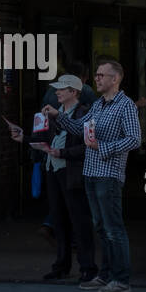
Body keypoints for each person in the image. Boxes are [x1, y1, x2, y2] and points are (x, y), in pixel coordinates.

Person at [44, 59, 141, 292]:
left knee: (113, 228)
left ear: (115, 79)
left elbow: (134, 139)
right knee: (101, 227)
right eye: (96, 74)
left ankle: (121, 279)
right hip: (91, 173)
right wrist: (59, 116)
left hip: (108, 175)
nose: (96, 78)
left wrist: (103, 147)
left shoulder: (125, 106)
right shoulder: (99, 105)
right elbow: (80, 128)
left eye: (101, 75)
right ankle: (106, 275)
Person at [9, 74, 98, 283]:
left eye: (62, 89)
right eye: (57, 88)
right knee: (59, 219)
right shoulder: (50, 114)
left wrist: (62, 153)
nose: (56, 92)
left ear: (74, 92)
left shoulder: (83, 114)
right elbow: (42, 140)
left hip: (70, 172)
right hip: (53, 170)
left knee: (79, 220)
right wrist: (23, 137)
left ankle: (88, 267)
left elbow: (88, 147)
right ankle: (61, 265)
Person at [35, 60, 97, 247]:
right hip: (63, 161)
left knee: (64, 206)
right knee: (75, 208)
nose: (57, 92)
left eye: (61, 89)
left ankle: (62, 242)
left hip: (58, 160)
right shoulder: (86, 94)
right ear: (84, 79)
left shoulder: (55, 99)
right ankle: (73, 248)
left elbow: (45, 127)